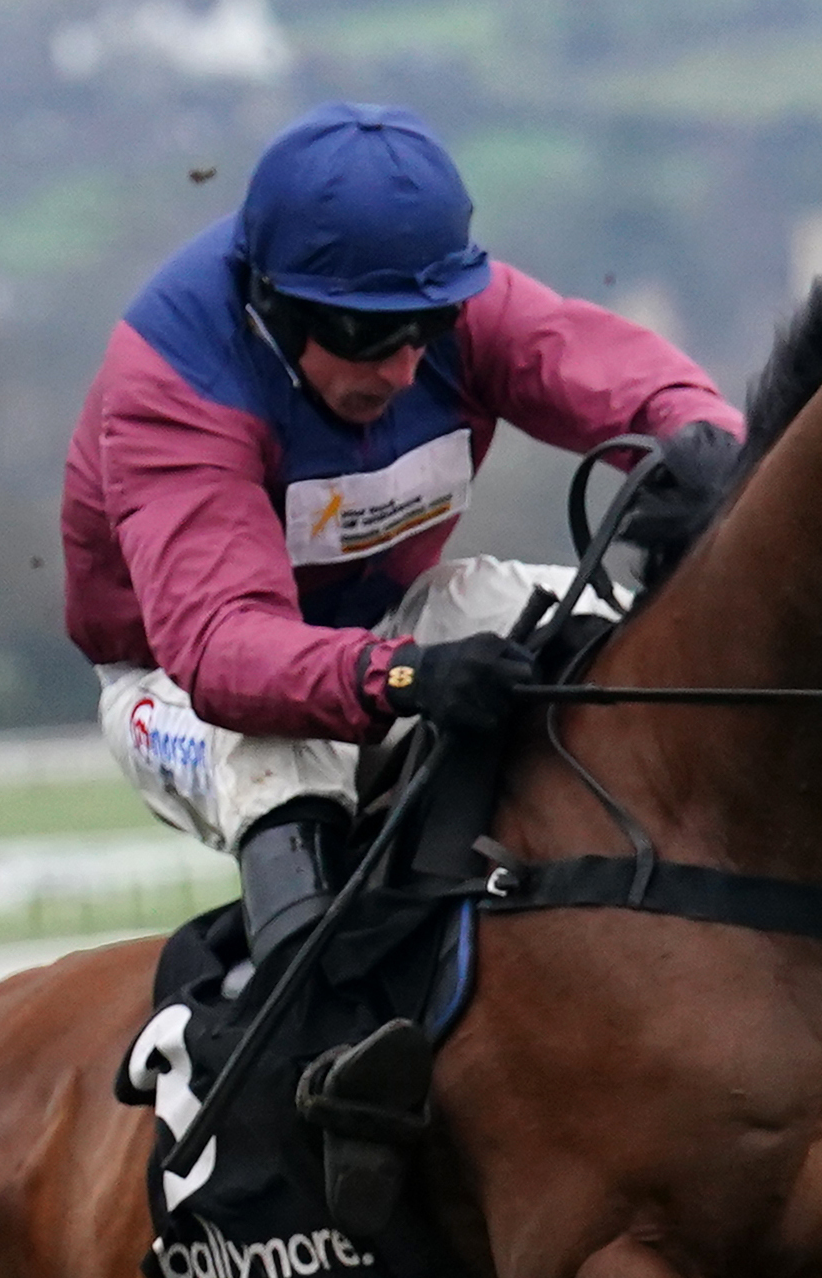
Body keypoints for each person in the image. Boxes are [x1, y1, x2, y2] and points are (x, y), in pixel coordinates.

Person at [58, 101, 747, 1171]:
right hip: (180, 685)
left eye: (422, 330)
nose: (398, 363)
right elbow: (225, 649)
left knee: (601, 628)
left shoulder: (438, 301)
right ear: (273, 307)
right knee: (271, 751)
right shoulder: (176, 376)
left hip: (380, 637)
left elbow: (616, 370)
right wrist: (406, 676)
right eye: (364, 337)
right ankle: (322, 1072)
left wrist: (704, 447)